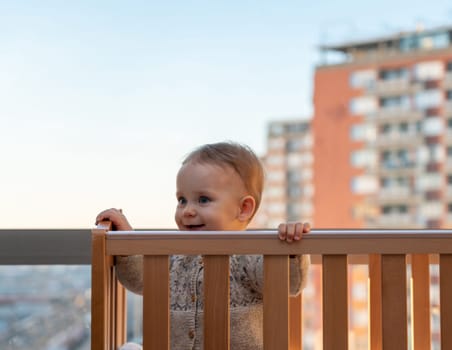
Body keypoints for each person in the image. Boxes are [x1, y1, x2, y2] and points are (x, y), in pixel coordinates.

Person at [95, 141, 310, 350]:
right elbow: (139, 279)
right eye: (182, 200)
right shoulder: (174, 257)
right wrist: (127, 240)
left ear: (243, 208)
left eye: (203, 200)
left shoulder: (250, 257)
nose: (187, 210)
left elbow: (288, 285)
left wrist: (291, 248)